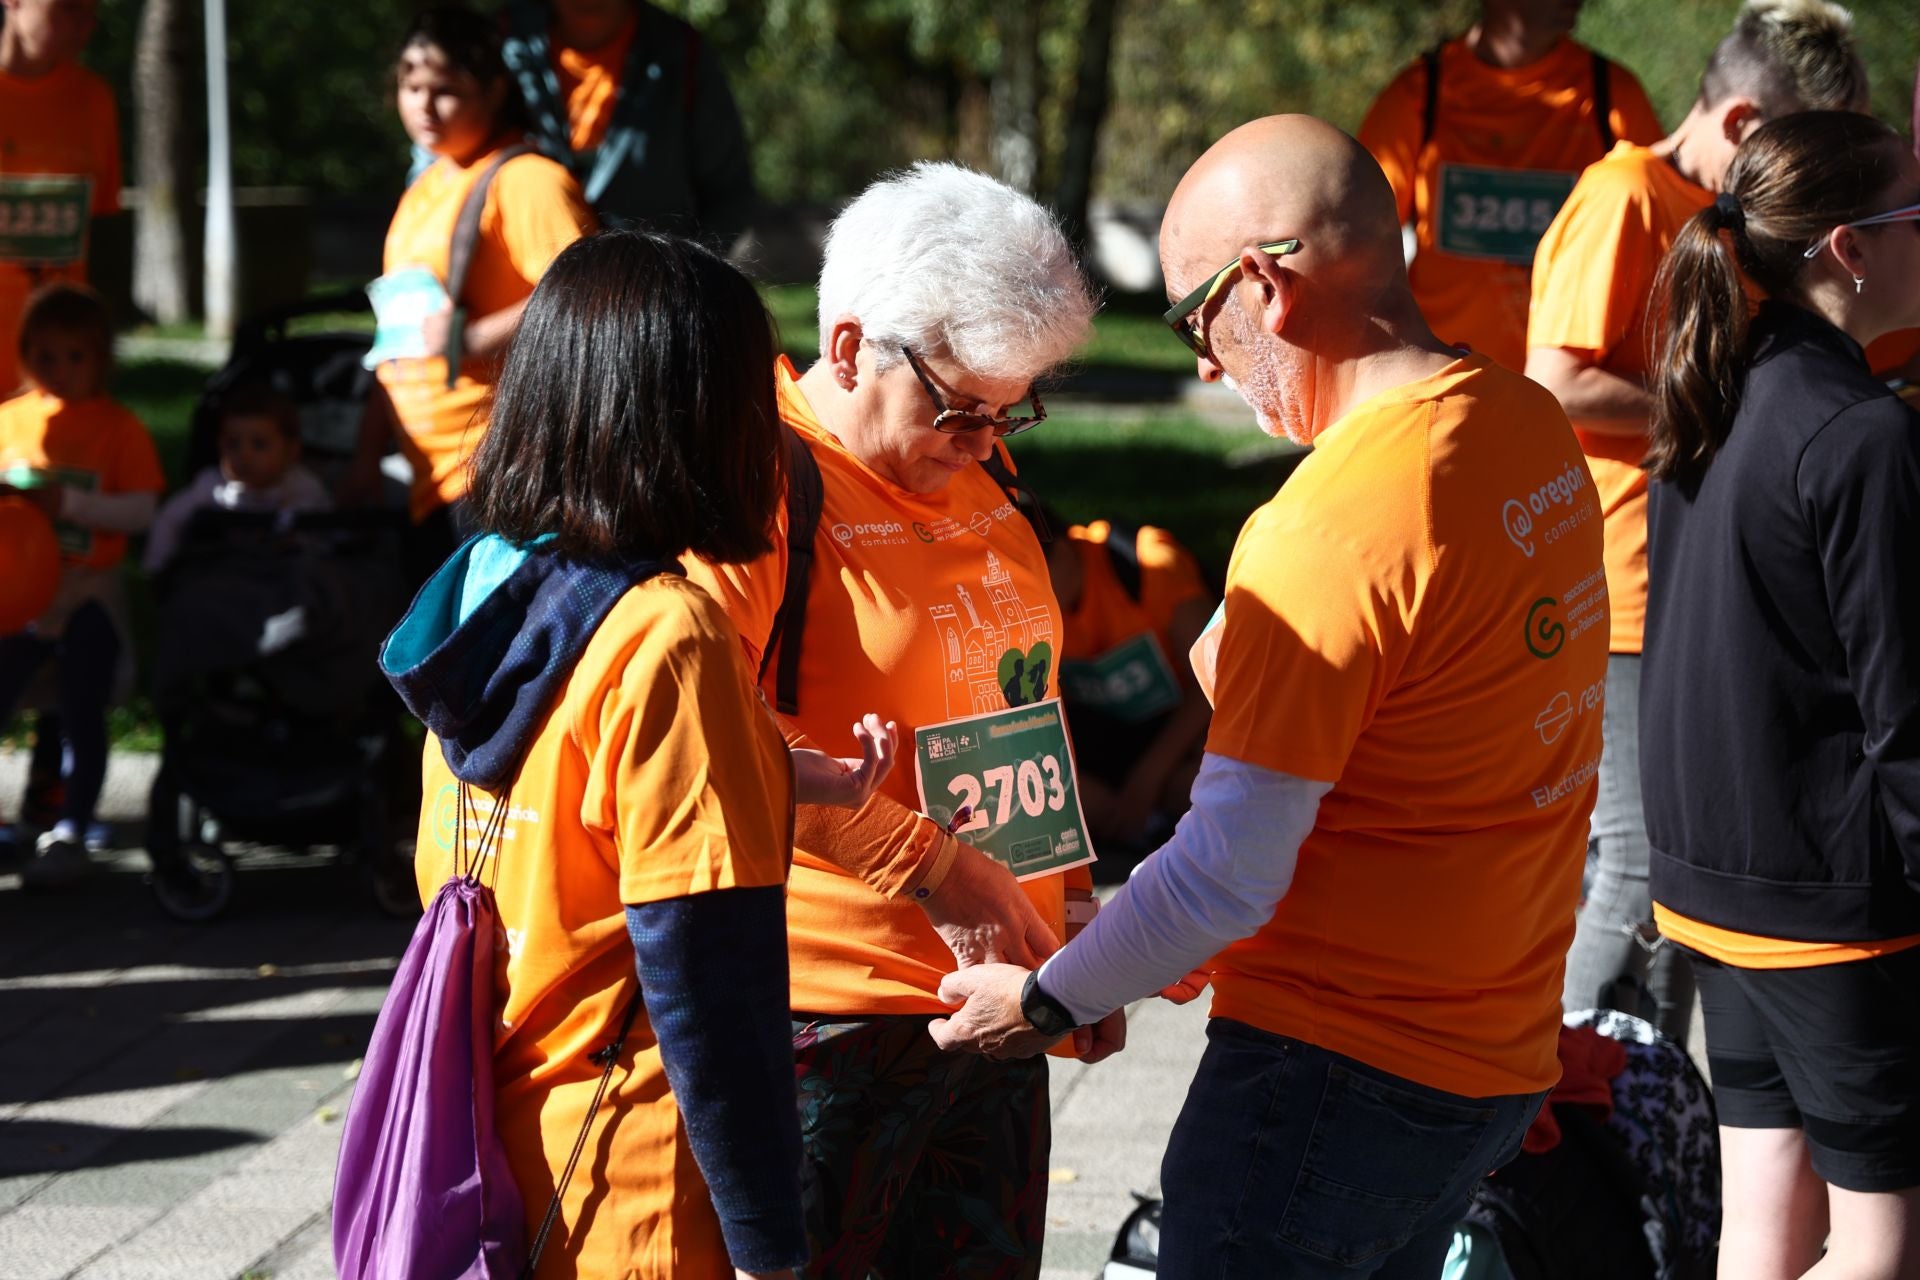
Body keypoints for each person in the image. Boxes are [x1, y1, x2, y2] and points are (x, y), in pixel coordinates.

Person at [930, 115, 1610, 1280]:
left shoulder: (1326, 530)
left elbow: (1231, 869)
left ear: (1264, 285)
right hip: (1485, 1060)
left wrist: (1045, 998)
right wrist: (1138, 955)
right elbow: (1387, 776)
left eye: (1199, 317)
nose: (1203, 360)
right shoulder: (1522, 424)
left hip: (1331, 1076)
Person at [385, 229, 899, 1280]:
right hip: (635, 1180)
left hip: (504, 1147)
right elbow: (705, 966)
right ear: (702, 418)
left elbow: (589, 807)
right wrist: (766, 1245)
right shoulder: (673, 633)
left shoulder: (495, 585)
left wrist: (788, 776)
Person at [681, 162, 1113, 1279]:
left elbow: (1018, 705)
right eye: (960, 406)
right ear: (848, 347)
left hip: (992, 1007)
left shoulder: (985, 473)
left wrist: (1066, 922)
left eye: (1011, 406)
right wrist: (932, 866)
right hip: (822, 1017)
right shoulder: (757, 487)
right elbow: (702, 733)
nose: (985, 439)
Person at [1525, 0, 1864, 1042]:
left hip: (1702, 577)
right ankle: (1578, 1116)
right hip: (1625, 583)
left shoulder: (1718, 211)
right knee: (1634, 857)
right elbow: (1556, 380)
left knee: (1678, 865)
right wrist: (1731, 407)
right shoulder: (1628, 191)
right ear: (1747, 118)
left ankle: (1647, 1115)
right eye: (1803, 146)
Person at [1641, 110, 1920, 1280]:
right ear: (1851, 248)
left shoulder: (1717, 389)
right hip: (1832, 908)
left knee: (1764, 1224)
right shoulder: (1861, 434)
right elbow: (1907, 715)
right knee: (1883, 1245)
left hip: (1717, 886)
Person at [345, 5, 595, 575]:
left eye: (446, 90)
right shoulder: (427, 186)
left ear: (493, 90)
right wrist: (366, 456)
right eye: (411, 86)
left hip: (495, 473)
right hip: (426, 481)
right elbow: (397, 337)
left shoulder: (528, 180)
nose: (424, 106)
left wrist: (479, 334)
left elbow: (584, 297)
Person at [1357, 0, 1662, 371]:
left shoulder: (1610, 93)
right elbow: (1359, 241)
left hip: (1567, 398)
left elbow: (1660, 232)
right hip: (1449, 381)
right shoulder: (1422, 93)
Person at [0, 283, 159, 888]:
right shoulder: (11, 421)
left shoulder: (117, 429)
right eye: (44, 355)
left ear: (101, 358)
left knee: (81, 706)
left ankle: (72, 824)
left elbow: (141, 510)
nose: (59, 370)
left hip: (89, 591)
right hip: (18, 602)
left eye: (75, 356)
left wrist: (65, 502)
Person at [499, 0, 757, 246]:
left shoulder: (683, 54)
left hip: (652, 281)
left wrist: (689, 275)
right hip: (529, 285)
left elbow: (729, 194)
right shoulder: (503, 45)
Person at [1040, 503, 1214, 856]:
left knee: (1197, 789)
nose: (1022, 594)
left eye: (1029, 577)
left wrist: (1146, 781)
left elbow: (1215, 683)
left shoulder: (1148, 564)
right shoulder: (1028, 610)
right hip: (1100, 750)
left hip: (1178, 740)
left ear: (1059, 554)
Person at [0, 0, 118, 400]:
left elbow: (102, 237)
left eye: (92, 12)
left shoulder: (94, 101)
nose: (85, 25)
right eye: (68, 8)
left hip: (56, 372)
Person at [143, 386, 329, 575]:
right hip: (223, 580)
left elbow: (328, 536)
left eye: (259, 444)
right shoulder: (210, 486)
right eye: (233, 444)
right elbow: (169, 521)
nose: (244, 455)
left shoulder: (305, 488)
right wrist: (159, 571)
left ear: (291, 451)